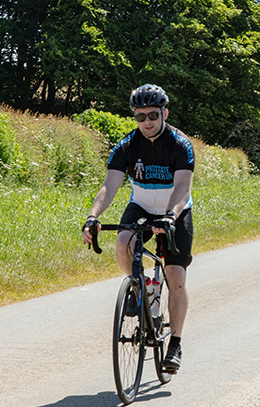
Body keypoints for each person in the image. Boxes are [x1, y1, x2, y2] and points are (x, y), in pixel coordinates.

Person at [81, 84, 194, 373]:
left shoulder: (180, 145)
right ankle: (140, 286)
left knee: (176, 276)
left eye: (153, 115)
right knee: (123, 242)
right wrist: (93, 216)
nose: (147, 122)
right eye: (140, 116)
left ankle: (175, 344)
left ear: (165, 113)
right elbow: (109, 186)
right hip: (142, 206)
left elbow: (182, 188)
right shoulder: (126, 145)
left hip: (175, 210)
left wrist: (170, 216)